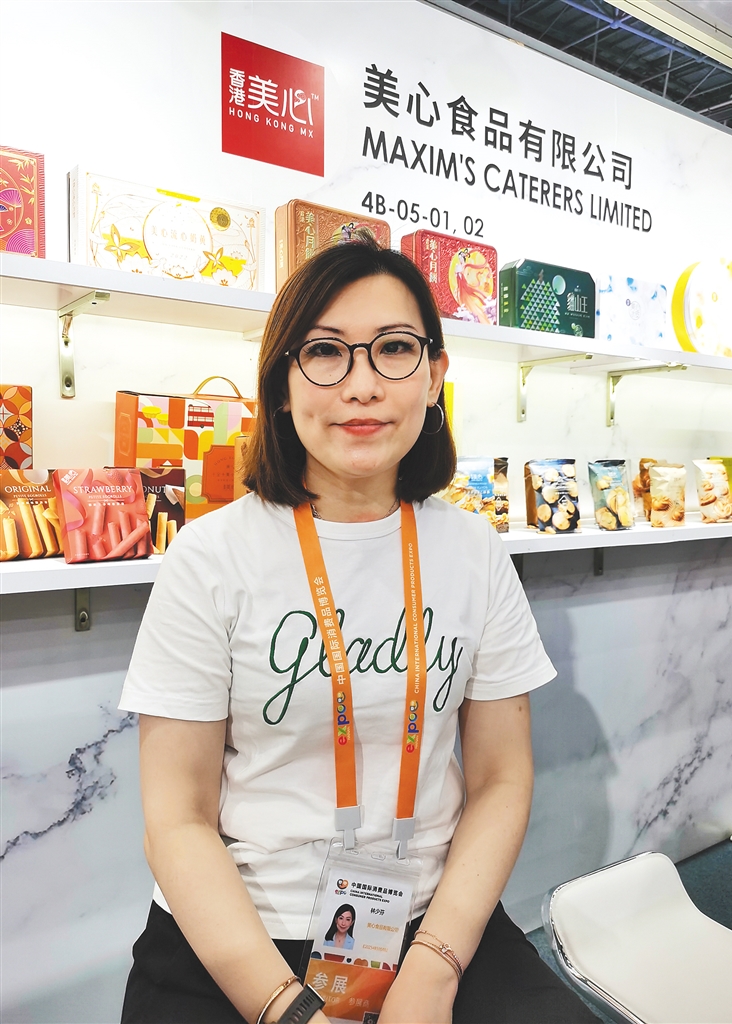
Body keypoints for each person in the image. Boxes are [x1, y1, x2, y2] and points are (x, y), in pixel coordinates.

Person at [119, 240, 598, 1024]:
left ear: (434, 375)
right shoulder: (210, 556)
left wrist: (434, 968)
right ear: (280, 384)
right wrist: (285, 1009)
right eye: (324, 352)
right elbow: (177, 818)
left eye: (394, 349)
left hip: (430, 921)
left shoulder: (471, 549)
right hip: (238, 932)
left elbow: (501, 778)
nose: (362, 385)